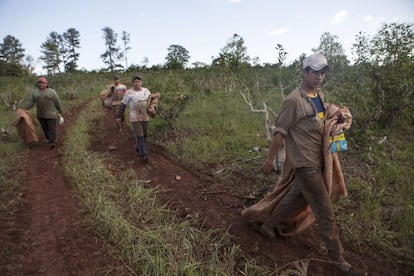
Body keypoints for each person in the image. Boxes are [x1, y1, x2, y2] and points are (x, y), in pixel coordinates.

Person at [241, 53, 366, 276]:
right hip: (305, 163)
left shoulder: (318, 96)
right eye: (315, 72)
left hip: (319, 160)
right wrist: (269, 160)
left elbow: (321, 118)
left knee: (294, 197)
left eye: (323, 72)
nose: (320, 76)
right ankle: (339, 259)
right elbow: (280, 133)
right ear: (305, 72)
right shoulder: (293, 101)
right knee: (325, 210)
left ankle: (268, 226)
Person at [115, 75, 159, 161]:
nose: (137, 83)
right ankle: (144, 155)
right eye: (135, 82)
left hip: (145, 116)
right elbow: (122, 106)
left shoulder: (146, 91)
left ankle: (139, 148)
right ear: (133, 83)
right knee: (140, 136)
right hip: (135, 117)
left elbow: (152, 102)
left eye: (139, 81)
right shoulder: (129, 93)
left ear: (141, 82)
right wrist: (118, 116)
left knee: (145, 136)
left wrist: (153, 108)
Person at [25, 77, 64, 149]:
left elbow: (57, 102)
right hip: (40, 115)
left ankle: (52, 142)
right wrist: (25, 109)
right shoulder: (35, 92)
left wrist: (61, 112)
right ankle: (50, 139)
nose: (41, 84)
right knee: (45, 128)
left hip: (51, 115)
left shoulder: (52, 92)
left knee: (51, 128)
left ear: (46, 84)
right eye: (39, 83)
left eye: (43, 83)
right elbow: (30, 103)